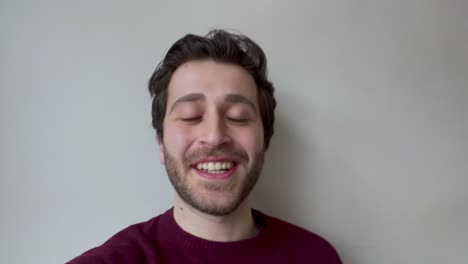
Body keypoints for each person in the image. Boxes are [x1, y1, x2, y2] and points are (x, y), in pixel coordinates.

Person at [68, 29, 342, 263]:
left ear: (265, 142)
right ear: (161, 144)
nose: (214, 135)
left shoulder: (316, 256)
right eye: (191, 116)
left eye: (237, 117)